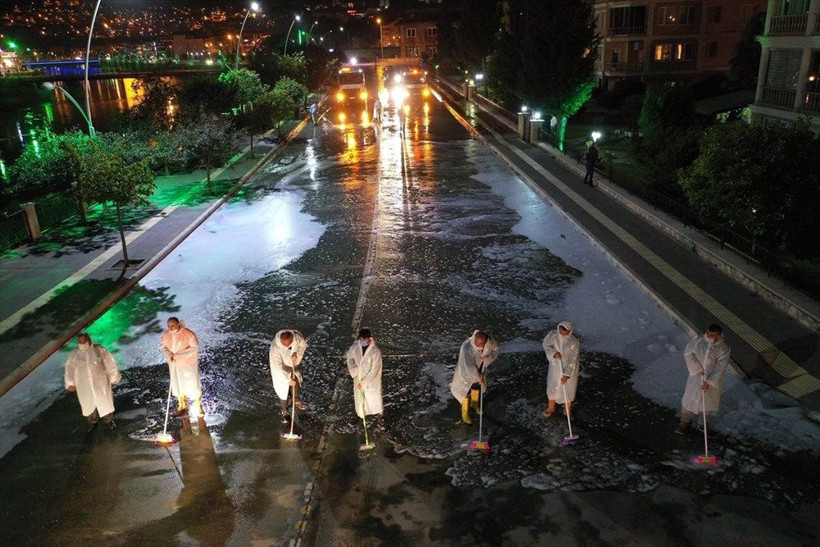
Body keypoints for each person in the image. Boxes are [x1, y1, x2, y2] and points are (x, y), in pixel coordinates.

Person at [676, 324, 732, 435]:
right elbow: (688, 353)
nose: (711, 337)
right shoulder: (698, 341)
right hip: (696, 378)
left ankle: (703, 424)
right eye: (709, 334)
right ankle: (683, 422)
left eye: (714, 335)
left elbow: (721, 367)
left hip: (712, 379)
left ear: (720, 335)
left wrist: (709, 382)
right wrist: (697, 369)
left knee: (707, 404)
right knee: (690, 401)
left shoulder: (723, 349)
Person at [64, 333, 121, 431]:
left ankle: (109, 421)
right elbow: (69, 368)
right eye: (80, 341)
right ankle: (92, 422)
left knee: (104, 402)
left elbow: (110, 362)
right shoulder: (75, 353)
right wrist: (70, 382)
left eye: (84, 341)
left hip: (100, 381)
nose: (83, 343)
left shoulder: (99, 350)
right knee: (88, 404)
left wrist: (113, 376)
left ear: (89, 340)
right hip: (84, 384)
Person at [451, 330, 500, 424]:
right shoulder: (467, 348)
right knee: (466, 392)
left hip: (480, 368)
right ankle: (465, 413)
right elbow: (470, 367)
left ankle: (474, 404)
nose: (481, 346)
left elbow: (496, 349)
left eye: (482, 344)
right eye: (479, 344)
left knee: (476, 388)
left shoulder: (489, 341)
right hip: (467, 374)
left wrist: (489, 358)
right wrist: (479, 377)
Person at [160, 317, 203, 418]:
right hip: (174, 364)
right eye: (169, 326)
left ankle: (198, 406)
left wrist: (179, 356)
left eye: (173, 325)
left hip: (188, 364)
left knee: (192, 384)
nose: (170, 328)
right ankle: (182, 406)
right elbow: (163, 347)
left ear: (178, 324)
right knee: (178, 383)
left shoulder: (187, 333)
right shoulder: (167, 335)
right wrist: (169, 355)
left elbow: (195, 347)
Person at [345, 328, 384, 430]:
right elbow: (350, 359)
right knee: (360, 400)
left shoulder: (375, 351)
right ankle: (359, 415)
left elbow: (374, 369)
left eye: (365, 339)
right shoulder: (355, 347)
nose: (363, 341)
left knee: (375, 400)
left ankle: (381, 418)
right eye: (361, 339)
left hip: (371, 382)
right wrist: (354, 370)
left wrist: (364, 382)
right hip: (358, 378)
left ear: (369, 338)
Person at [542, 321, 581, 419]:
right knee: (553, 386)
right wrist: (554, 352)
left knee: (568, 389)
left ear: (570, 332)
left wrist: (567, 374)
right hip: (555, 366)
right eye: (561, 332)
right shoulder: (553, 335)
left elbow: (574, 358)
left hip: (569, 367)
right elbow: (546, 345)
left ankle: (567, 409)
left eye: (565, 333)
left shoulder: (574, 341)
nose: (562, 334)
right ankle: (551, 407)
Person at [269, 329, 308, 423]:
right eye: (284, 344)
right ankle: (284, 411)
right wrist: (287, 379)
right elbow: (278, 368)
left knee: (295, 380)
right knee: (283, 392)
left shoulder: (296, 336)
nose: (286, 346)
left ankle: (296, 400)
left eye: (288, 344)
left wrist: (296, 354)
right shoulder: (275, 348)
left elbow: (303, 345)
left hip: (292, 363)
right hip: (280, 369)